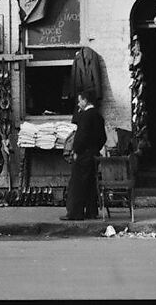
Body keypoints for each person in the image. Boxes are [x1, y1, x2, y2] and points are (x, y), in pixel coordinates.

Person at [60, 90, 106, 221]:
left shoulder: (85, 116)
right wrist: (96, 148)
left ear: (85, 101)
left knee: (77, 184)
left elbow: (81, 137)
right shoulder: (98, 116)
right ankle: (91, 212)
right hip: (93, 154)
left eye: (80, 101)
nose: (79, 104)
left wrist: (76, 151)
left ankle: (75, 212)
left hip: (83, 155)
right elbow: (103, 137)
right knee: (90, 183)